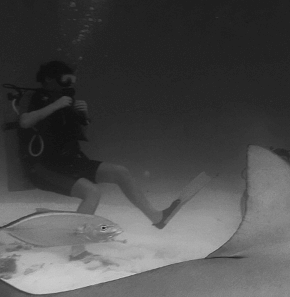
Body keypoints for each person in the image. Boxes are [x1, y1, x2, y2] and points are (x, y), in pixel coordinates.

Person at [17, 61, 192, 234]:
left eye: (72, 80)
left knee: (120, 172)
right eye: (65, 80)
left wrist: (83, 115)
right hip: (42, 167)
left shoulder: (66, 102)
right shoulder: (37, 97)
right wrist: (55, 105)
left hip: (69, 162)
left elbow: (79, 134)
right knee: (91, 192)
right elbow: (24, 122)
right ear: (48, 79)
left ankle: (156, 217)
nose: (69, 85)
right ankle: (77, 249)